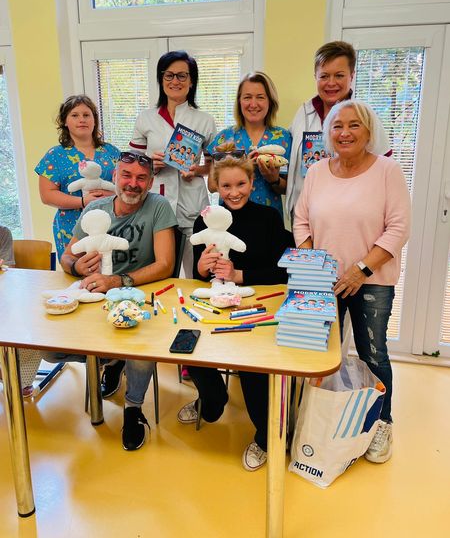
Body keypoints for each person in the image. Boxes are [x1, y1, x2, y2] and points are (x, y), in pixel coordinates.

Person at [293, 100, 411, 464]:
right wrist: (316, 266)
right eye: (337, 126)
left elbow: (398, 228)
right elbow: (301, 221)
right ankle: (317, 418)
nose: (345, 133)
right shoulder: (317, 171)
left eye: (354, 125)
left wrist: (360, 270)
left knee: (372, 352)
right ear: (328, 133)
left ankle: (382, 422)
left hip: (371, 280)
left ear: (369, 131)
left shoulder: (387, 171)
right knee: (318, 353)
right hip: (322, 281)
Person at [43, 152, 178, 451]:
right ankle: (110, 359)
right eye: (126, 175)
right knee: (49, 350)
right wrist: (77, 267)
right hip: (94, 296)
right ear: (114, 177)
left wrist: (117, 281)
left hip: (138, 293)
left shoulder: (159, 206)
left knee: (141, 349)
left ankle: (133, 408)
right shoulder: (95, 208)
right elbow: (67, 256)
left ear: (150, 182)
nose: (133, 183)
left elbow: (165, 264)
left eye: (141, 178)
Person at [177, 155, 294, 471]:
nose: (234, 192)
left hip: (259, 304)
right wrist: (202, 268)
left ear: (252, 183)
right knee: (186, 344)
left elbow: (283, 271)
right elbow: (200, 275)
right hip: (215, 303)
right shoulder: (205, 221)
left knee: (253, 366)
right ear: (216, 186)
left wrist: (240, 275)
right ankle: (213, 400)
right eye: (226, 185)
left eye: (241, 184)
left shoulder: (269, 218)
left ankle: (265, 436)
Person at [129, 50, 217, 277]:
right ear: (161, 79)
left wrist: (196, 170)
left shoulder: (204, 120)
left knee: (197, 272)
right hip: (156, 201)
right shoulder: (146, 118)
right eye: (169, 75)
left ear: (191, 81)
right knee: (158, 271)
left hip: (192, 201)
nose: (175, 81)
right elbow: (132, 165)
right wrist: (150, 165)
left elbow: (213, 166)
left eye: (182, 76)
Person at [286, 41, 392, 219]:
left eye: (339, 75)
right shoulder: (303, 113)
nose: (331, 83)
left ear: (352, 75)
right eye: (324, 76)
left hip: (347, 218)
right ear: (315, 76)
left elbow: (384, 173)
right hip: (303, 217)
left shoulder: (366, 117)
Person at [35, 95, 120, 261]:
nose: (82, 120)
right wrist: (83, 202)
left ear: (94, 120)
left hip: (111, 223)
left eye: (87, 115)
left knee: (111, 268)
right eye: (75, 115)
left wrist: (110, 196)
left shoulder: (111, 152)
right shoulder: (55, 156)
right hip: (71, 227)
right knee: (78, 270)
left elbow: (124, 186)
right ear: (65, 122)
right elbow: (47, 195)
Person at [207, 71, 291, 217]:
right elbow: (212, 186)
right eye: (247, 97)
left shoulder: (283, 138)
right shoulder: (224, 138)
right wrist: (241, 167)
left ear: (270, 101)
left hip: (269, 220)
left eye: (260, 97)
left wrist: (274, 180)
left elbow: (289, 189)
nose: (253, 104)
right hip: (231, 220)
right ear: (239, 101)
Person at [0, 226, 42, 396]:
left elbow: (8, 270)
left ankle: (18, 376)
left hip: (6, 294)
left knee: (35, 323)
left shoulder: (2, 233)